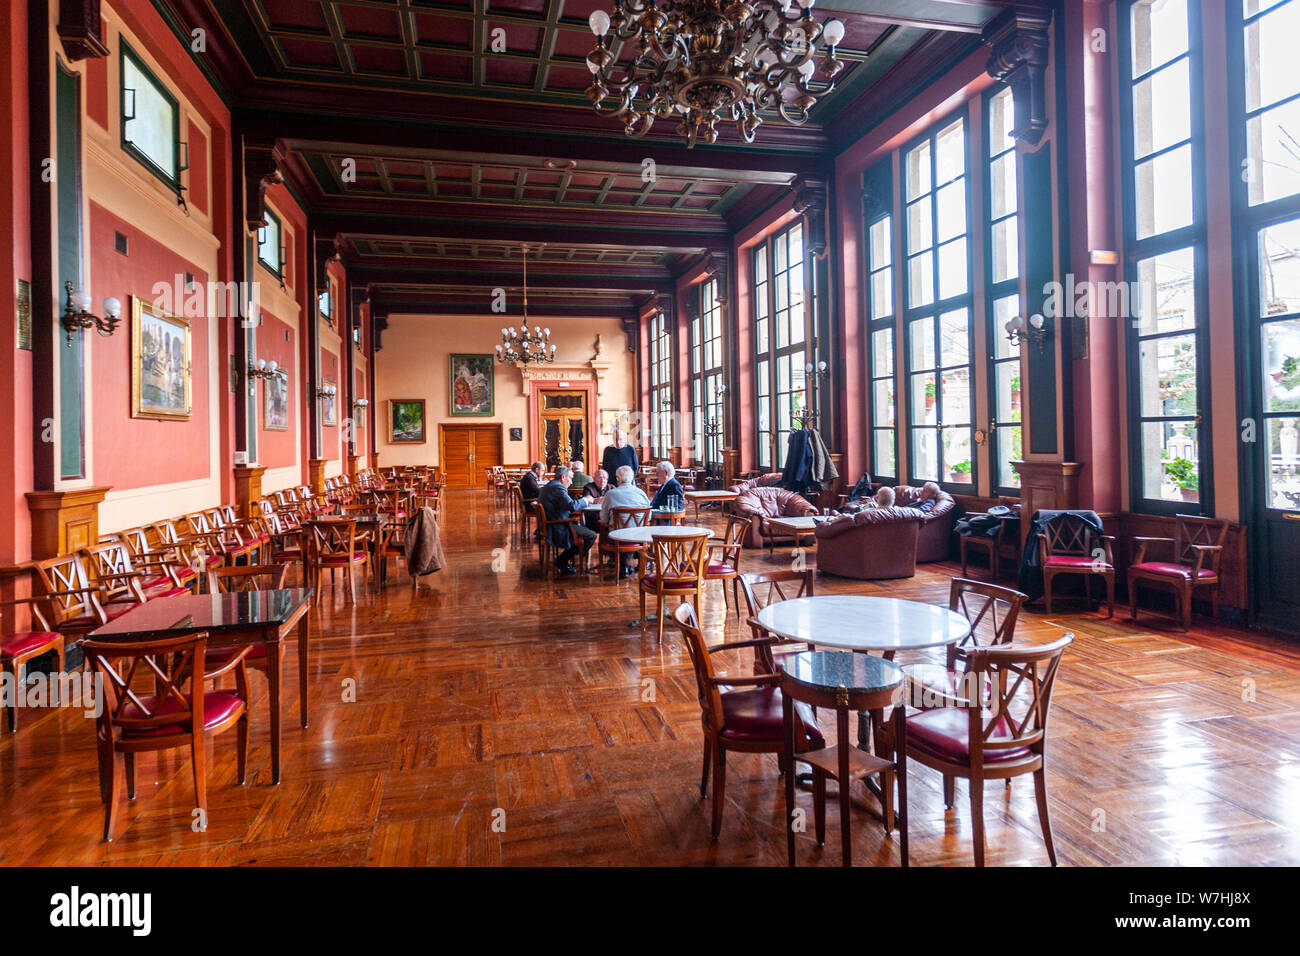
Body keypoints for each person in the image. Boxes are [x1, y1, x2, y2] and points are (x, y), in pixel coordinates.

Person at [538, 465, 597, 575]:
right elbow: (572, 506)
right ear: (563, 477)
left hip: (552, 522)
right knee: (591, 535)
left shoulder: (551, 485)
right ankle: (563, 560)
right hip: (558, 525)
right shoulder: (558, 488)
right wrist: (586, 499)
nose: (571, 482)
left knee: (584, 531)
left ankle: (566, 560)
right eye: (570, 478)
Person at [601, 465, 651, 578]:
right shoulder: (641, 493)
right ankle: (628, 564)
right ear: (632, 478)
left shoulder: (610, 494)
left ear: (617, 479)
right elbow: (650, 515)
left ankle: (623, 565)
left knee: (611, 531)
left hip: (617, 537)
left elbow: (603, 519)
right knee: (630, 530)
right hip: (639, 536)